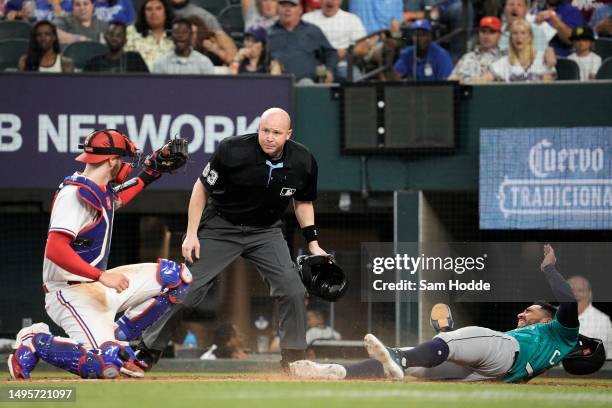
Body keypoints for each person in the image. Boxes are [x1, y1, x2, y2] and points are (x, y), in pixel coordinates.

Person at [135, 107, 328, 371]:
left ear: (288, 134)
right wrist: (192, 233)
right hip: (221, 226)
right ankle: (147, 350)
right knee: (188, 291)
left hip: (266, 231)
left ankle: (294, 361)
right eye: (265, 130)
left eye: (276, 133)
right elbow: (201, 187)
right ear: (258, 128)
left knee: (293, 289)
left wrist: (313, 243)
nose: (269, 137)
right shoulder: (232, 150)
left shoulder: (303, 160)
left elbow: (303, 202)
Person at [7, 130, 191, 380]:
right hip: (69, 292)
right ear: (112, 160)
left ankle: (113, 341)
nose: (127, 165)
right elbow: (55, 249)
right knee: (103, 365)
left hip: (98, 285)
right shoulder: (74, 195)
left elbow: (120, 196)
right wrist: (101, 276)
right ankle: (34, 341)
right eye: (123, 159)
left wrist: (152, 171)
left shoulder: (101, 190)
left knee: (176, 278)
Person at [291, 244, 580, 383]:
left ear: (547, 318)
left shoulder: (558, 331)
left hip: (505, 352)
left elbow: (567, 303)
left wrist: (549, 269)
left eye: (529, 310)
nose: (522, 312)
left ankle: (437, 341)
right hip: (492, 374)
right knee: (408, 360)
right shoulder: (550, 349)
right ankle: (338, 372)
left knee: (458, 339)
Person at [268, 0, 338, 83]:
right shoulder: (269, 33)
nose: (287, 9)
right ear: (277, 9)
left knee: (306, 82)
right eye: (283, 6)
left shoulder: (312, 31)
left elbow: (331, 53)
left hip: (307, 83)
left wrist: (329, 70)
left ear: (300, 10)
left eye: (292, 6)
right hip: (278, 83)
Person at [302, 0, 369, 81]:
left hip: (343, 66)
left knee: (359, 85)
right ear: (320, 1)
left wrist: (345, 52)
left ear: (340, 1)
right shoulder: (306, 19)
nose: (330, 1)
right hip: (314, 67)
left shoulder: (351, 19)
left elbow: (364, 48)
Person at [481, 18, 557, 82]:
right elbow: (483, 80)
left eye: (523, 33)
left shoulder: (543, 58)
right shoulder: (504, 62)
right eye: (515, 33)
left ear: (530, 37)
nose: (519, 37)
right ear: (511, 38)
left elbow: (548, 86)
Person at [171, 0, 237, 64]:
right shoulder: (162, 13)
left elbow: (233, 58)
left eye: (193, 33)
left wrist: (216, 49)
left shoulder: (203, 16)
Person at [567, 275, 612, 358]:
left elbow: (609, 354)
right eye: (571, 290)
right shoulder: (553, 316)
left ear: (589, 294)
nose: (575, 294)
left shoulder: (602, 320)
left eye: (580, 290)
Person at [449, 16, 503, 83]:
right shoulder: (467, 57)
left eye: (491, 32)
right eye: (483, 31)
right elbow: (452, 81)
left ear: (499, 35)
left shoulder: (503, 59)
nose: (486, 36)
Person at [125, 0, 174, 70]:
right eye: (149, 9)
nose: (153, 13)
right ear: (143, 13)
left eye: (158, 8)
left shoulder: (176, 34)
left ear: (166, 12)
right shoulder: (131, 32)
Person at [84, 21, 149, 72]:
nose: (114, 38)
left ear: (125, 40)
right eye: (111, 34)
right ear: (105, 37)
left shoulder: (134, 59)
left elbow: (146, 82)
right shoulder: (94, 63)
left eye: (119, 35)